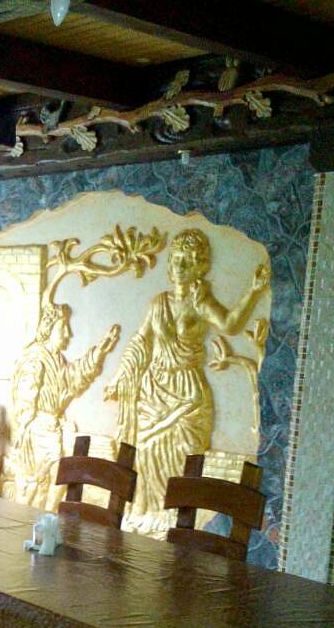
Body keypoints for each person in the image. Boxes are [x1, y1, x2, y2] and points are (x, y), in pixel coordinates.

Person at [104, 228, 269, 532]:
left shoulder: (199, 302)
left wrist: (254, 292)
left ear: (198, 267)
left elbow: (230, 325)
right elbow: (140, 342)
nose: (178, 266)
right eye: (175, 259)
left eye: (186, 261)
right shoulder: (158, 303)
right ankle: (150, 514)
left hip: (188, 393)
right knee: (147, 452)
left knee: (183, 457)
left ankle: (176, 521)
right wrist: (119, 377)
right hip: (154, 391)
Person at [4, 302, 119, 508]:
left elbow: (73, 379)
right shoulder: (35, 359)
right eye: (63, 327)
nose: (68, 333)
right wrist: (28, 432)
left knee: (56, 480)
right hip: (37, 433)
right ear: (49, 328)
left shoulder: (56, 359)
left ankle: (45, 518)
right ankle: (28, 521)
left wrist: (99, 352)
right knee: (35, 485)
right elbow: (24, 403)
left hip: (49, 430)